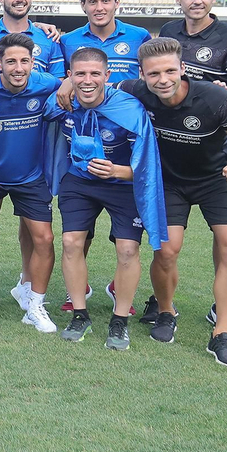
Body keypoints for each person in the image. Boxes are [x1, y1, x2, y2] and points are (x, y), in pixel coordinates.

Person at [120, 38, 227, 367]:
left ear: (183, 69)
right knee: (166, 250)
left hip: (217, 179)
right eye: (154, 74)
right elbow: (98, 82)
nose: (163, 79)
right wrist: (70, 80)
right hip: (169, 182)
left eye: (171, 70)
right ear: (142, 74)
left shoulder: (216, 99)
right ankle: (167, 311)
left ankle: (221, 333)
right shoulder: (135, 91)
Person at [44, 46, 167, 350]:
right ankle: (80, 313)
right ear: (70, 76)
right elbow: (45, 112)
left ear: (107, 76)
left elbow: (148, 163)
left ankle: (119, 320)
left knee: (127, 249)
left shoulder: (128, 108)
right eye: (80, 74)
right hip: (79, 182)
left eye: (95, 74)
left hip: (122, 183)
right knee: (71, 242)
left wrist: (119, 171)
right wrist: (62, 87)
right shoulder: (63, 101)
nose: (88, 81)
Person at [0, 33, 62, 333]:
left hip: (30, 177)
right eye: (11, 61)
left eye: (24, 61)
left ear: (34, 63)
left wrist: (71, 82)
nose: (18, 68)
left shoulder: (46, 84)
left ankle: (34, 303)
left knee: (44, 239)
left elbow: (69, 84)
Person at [59, 0, 151, 83]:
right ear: (83, 5)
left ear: (116, 3)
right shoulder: (66, 41)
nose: (99, 8)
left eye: (105, 1)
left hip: (126, 100)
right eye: (92, 2)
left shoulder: (140, 36)